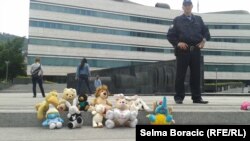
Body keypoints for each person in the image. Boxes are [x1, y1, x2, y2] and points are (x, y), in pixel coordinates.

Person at [167, 0, 210, 104]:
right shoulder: (177, 20)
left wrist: (203, 41)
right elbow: (170, 35)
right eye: (185, 5)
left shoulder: (199, 19)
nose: (187, 7)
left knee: (196, 75)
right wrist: (178, 43)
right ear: (182, 7)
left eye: (189, 5)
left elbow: (206, 32)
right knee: (180, 75)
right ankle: (179, 97)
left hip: (196, 50)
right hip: (183, 51)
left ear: (192, 6)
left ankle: (197, 98)